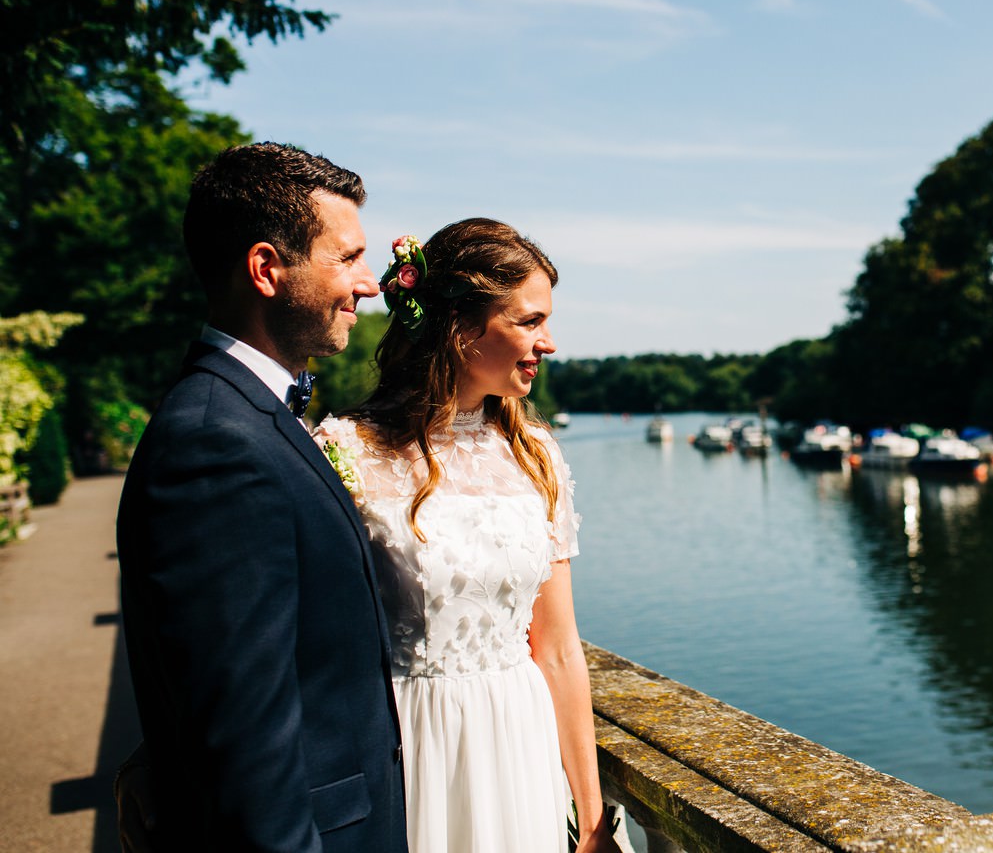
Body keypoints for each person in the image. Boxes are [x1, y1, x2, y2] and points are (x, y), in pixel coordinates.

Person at [116, 143, 408, 852]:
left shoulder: (247, 415)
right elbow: (245, 745)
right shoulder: (217, 445)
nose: (370, 286)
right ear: (266, 269)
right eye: (347, 258)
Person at [312, 218, 626, 853]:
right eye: (529, 321)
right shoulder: (343, 451)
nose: (549, 342)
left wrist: (590, 821)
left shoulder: (537, 457)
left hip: (518, 745)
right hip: (405, 746)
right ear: (460, 329)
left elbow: (559, 650)